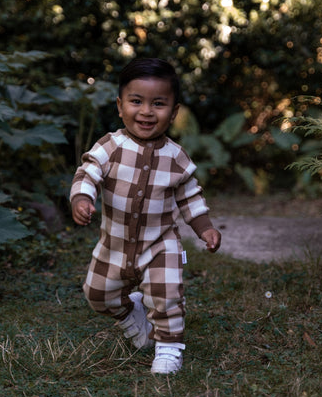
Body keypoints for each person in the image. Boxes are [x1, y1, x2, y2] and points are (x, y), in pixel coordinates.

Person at [70, 58, 221, 374]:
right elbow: (88, 172)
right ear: (120, 106)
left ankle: (168, 348)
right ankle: (130, 312)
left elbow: (190, 196)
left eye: (159, 103)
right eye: (136, 101)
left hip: (160, 244)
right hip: (115, 244)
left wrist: (205, 228)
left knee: (166, 295)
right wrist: (83, 197)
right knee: (96, 294)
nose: (147, 111)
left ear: (174, 112)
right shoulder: (110, 146)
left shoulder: (176, 157)